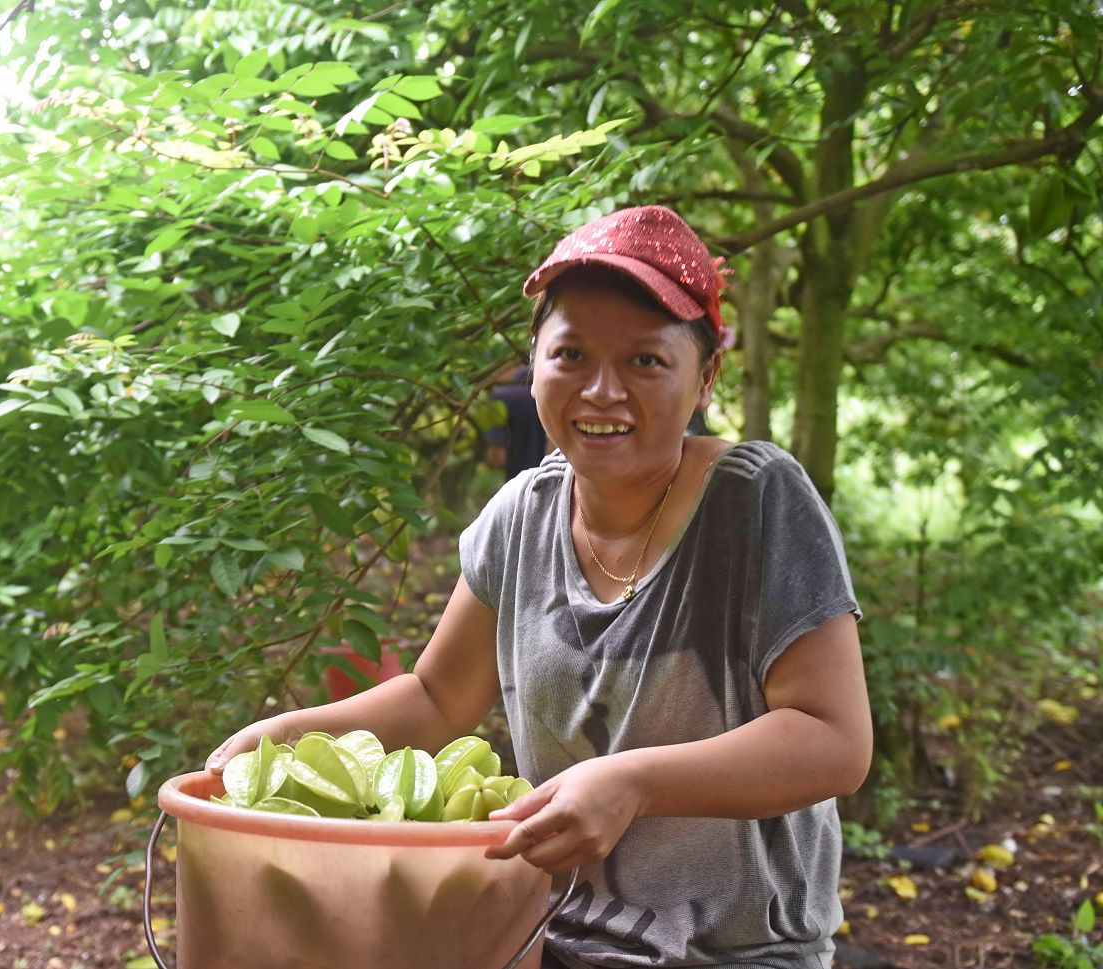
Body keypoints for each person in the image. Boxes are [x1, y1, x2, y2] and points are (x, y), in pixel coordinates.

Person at [207, 205, 873, 969]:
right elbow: (436, 697)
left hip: (740, 951)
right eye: (572, 355)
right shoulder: (520, 515)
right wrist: (288, 737)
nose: (601, 390)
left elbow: (833, 739)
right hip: (550, 935)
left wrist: (634, 782)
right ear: (535, 362)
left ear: (705, 377)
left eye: (646, 362)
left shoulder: (757, 504)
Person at [485, 363, 549, 479]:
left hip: (520, 484)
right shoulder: (552, 390)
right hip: (554, 481)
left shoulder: (500, 397)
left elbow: (497, 457)